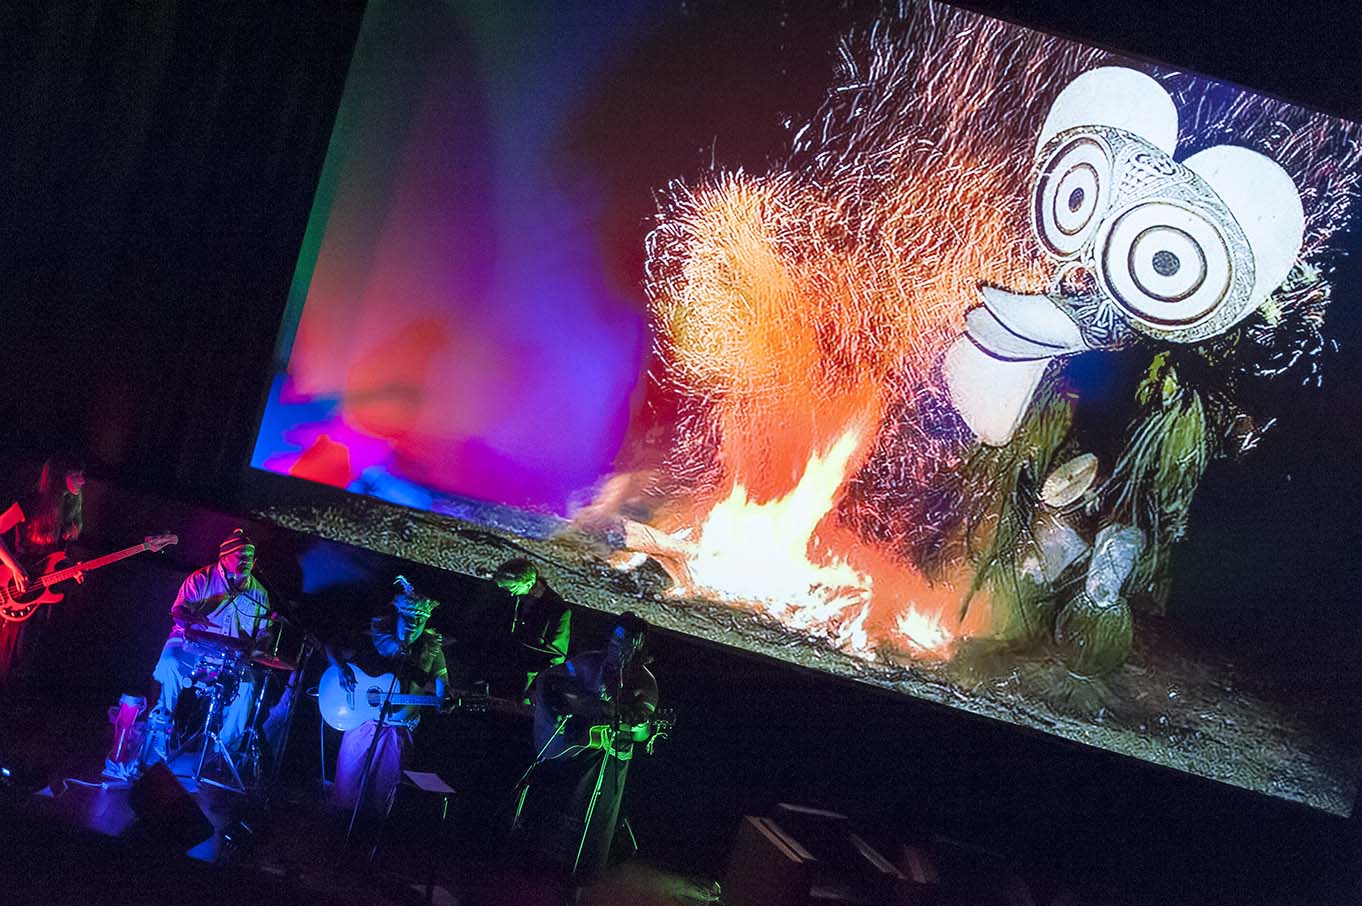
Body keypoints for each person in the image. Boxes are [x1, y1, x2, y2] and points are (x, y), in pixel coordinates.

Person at [511, 612, 658, 883]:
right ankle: (537, 860)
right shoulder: (590, 661)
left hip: (604, 763)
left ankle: (578, 877)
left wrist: (632, 721)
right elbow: (549, 678)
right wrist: (558, 708)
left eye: (624, 644)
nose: (617, 648)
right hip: (568, 749)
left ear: (637, 647)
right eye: (615, 640)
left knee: (588, 821)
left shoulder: (643, 682)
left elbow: (641, 730)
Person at [326, 575, 449, 821]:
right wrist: (340, 669)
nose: (413, 624)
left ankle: (371, 836)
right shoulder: (375, 638)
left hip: (399, 731)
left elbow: (442, 684)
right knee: (348, 783)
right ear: (398, 616)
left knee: (383, 792)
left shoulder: (432, 650)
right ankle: (340, 828)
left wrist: (443, 698)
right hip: (363, 722)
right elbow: (332, 645)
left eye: (419, 620)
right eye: (408, 618)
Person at [145, 528, 270, 762]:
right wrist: (192, 620)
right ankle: (161, 727)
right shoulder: (200, 579)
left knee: (248, 688)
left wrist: (259, 646)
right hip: (191, 645)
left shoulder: (260, 593)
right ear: (225, 557)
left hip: (229, 656)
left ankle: (223, 754)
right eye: (241, 556)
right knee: (171, 662)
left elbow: (264, 631)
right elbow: (178, 611)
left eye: (250, 558)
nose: (247, 561)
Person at [0, 452, 86, 688]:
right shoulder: (29, 504)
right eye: (76, 475)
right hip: (16, 588)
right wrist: (15, 568)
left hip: (43, 590)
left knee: (31, 647)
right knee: (12, 649)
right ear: (60, 476)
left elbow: (58, 556)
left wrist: (72, 570)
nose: (83, 481)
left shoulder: (68, 510)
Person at [491, 558, 571, 700]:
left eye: (511, 588)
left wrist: (536, 689)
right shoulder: (511, 595)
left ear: (529, 583)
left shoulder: (557, 610)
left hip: (523, 683)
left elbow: (555, 655)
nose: (508, 593)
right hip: (497, 671)